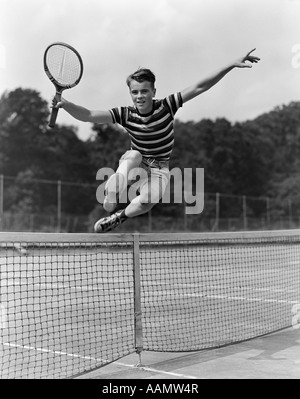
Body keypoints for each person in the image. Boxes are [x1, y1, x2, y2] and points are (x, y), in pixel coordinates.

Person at [52, 49, 260, 233]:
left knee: (148, 202)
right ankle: (112, 191)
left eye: (144, 91)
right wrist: (66, 104)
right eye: (135, 92)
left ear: (154, 92)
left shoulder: (167, 106)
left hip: (160, 167)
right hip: (136, 162)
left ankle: (118, 217)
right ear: (130, 94)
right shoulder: (125, 114)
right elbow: (88, 115)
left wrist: (231, 65)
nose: (139, 96)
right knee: (134, 154)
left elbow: (200, 86)